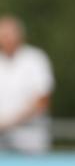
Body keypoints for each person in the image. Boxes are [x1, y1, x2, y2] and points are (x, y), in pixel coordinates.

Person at [0, 15, 55, 154]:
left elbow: (43, 99)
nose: (5, 39)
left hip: (30, 139)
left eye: (8, 34)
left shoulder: (35, 59)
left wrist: (12, 122)